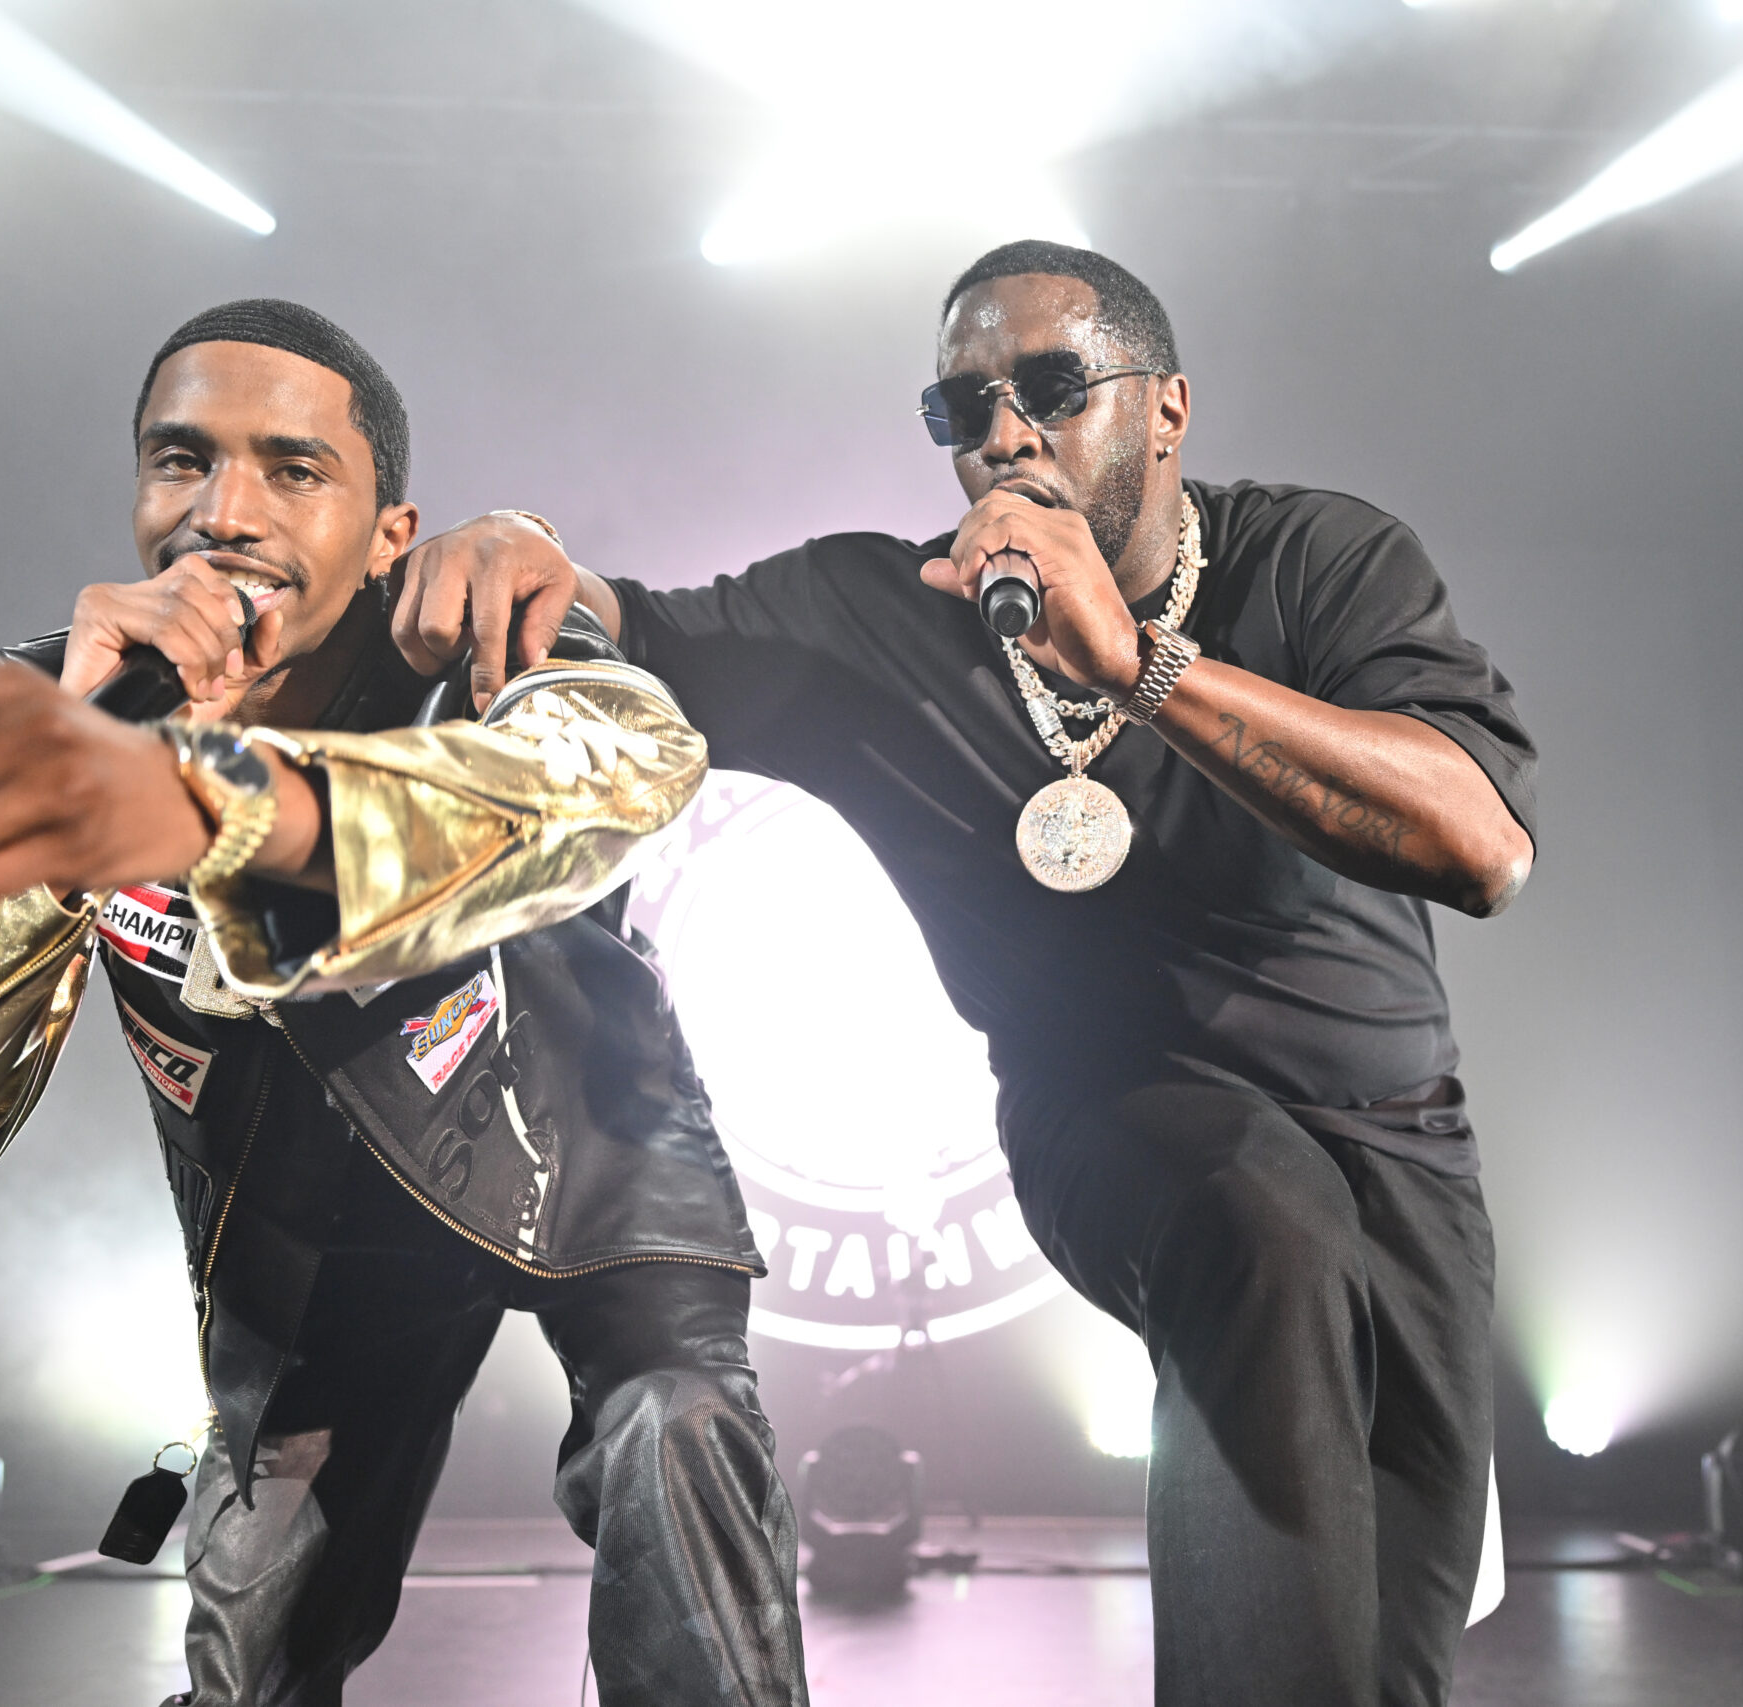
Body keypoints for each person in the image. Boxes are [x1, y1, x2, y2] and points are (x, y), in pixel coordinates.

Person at [397, 241, 1538, 1707]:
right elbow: (631, 630)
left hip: (1405, 1147)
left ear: (1168, 408)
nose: (1005, 430)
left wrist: (1141, 664)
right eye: (961, 408)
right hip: (1119, 1118)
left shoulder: (1321, 560)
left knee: (1382, 1652)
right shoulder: (882, 618)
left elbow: (1480, 844)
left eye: (1054, 386)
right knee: (1266, 1223)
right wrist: (522, 548)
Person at [0, 301, 808, 1706]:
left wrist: (226, 805)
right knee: (247, 1665)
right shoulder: (48, 710)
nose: (224, 512)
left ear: (391, 530)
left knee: (678, 1440)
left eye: (293, 470)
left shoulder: (490, 636)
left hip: (584, 1154)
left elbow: (620, 775)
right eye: (180, 460)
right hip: (305, 1236)